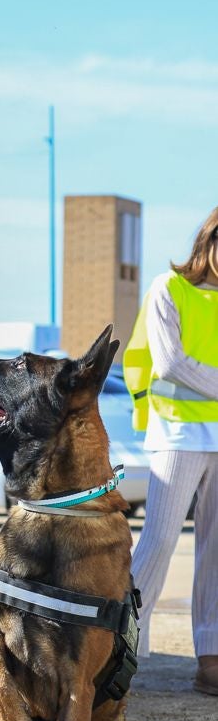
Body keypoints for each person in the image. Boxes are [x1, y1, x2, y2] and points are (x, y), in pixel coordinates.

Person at [124, 206, 218, 695]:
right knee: (158, 543)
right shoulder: (169, 289)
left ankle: (212, 659)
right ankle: (120, 651)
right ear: (210, 242)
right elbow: (170, 362)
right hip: (178, 435)